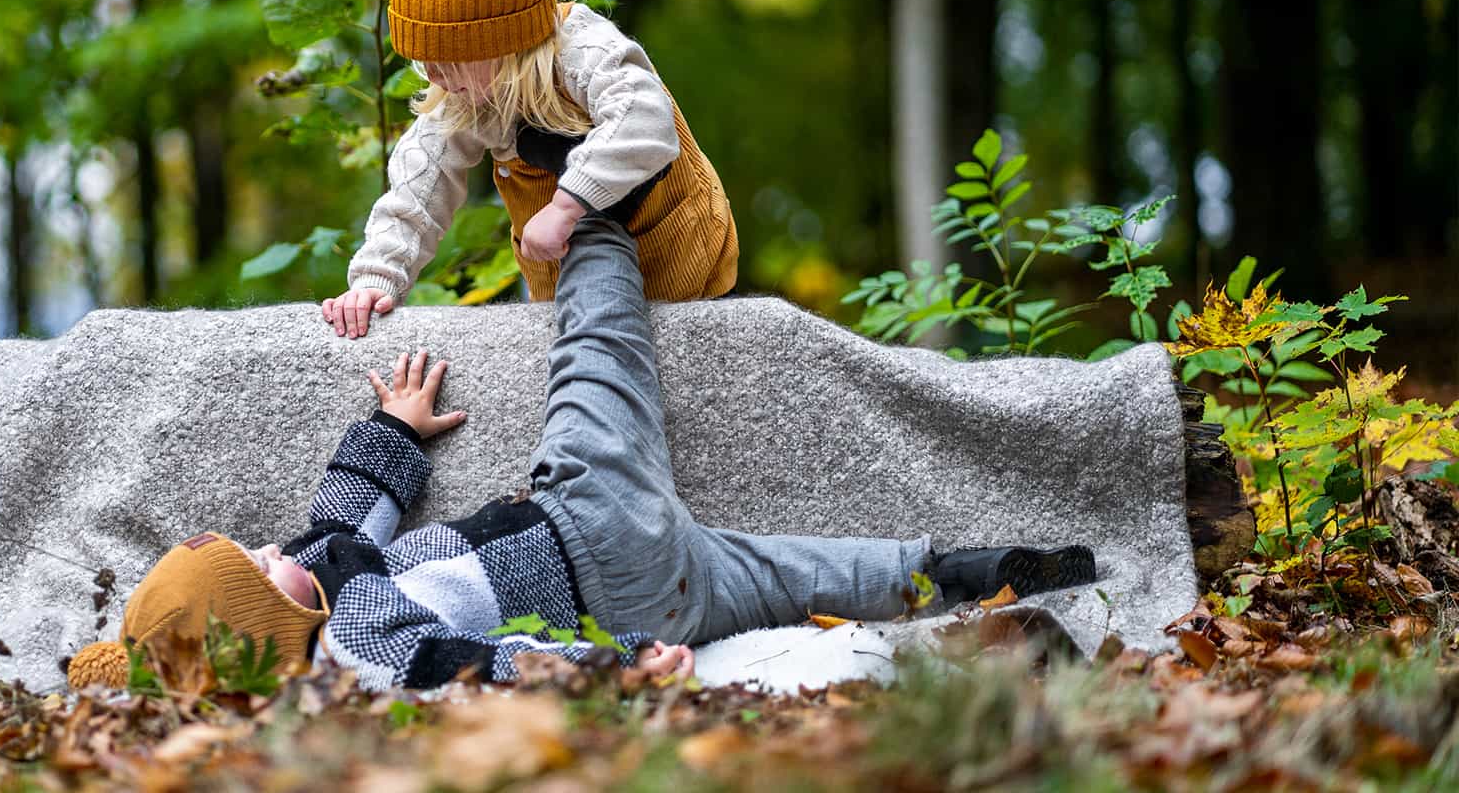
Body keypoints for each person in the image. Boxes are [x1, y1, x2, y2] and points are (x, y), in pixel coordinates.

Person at [69, 217, 1095, 692]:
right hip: (585, 535)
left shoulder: (333, 576)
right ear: (267, 625)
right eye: (251, 570)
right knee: (598, 363)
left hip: (662, 596)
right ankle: (601, 219)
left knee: (811, 577)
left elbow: (346, 514)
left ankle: (966, 573)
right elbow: (474, 668)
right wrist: (608, 677)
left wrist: (397, 429)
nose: (266, 547)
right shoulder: (358, 645)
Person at [321, 0, 739, 339]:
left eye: (446, 61)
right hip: (566, 293)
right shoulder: (462, 94)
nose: (434, 79)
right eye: (424, 62)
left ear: (497, 42)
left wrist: (566, 207)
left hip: (678, 268)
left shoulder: (583, 49)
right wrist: (376, 277)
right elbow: (418, 187)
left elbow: (646, 120)